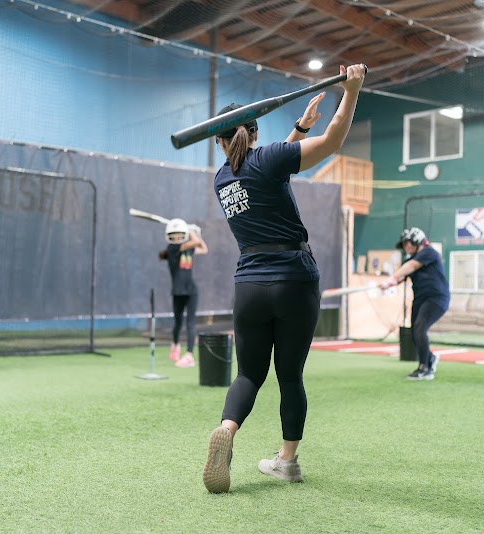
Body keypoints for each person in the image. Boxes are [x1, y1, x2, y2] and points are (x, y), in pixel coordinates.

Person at [201, 64, 366, 493]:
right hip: (294, 278)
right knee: (289, 376)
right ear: (254, 134)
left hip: (250, 285)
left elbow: (269, 169)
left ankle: (227, 429)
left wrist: (298, 128)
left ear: (221, 142)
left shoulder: (222, 179)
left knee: (248, 374)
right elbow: (332, 142)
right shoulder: (268, 159)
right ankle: (287, 461)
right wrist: (352, 90)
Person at [381, 227, 450, 381]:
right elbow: (401, 276)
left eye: (408, 243)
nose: (406, 247)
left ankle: (424, 369)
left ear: (417, 241)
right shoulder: (410, 260)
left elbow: (411, 267)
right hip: (420, 298)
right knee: (415, 333)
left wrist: (393, 277)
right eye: (404, 244)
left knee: (420, 328)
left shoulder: (428, 252)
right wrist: (388, 283)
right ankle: (430, 359)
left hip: (436, 298)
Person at [158, 218, 208, 368]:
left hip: (192, 290)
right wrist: (191, 231)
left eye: (180, 234)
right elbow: (195, 241)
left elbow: (204, 248)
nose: (177, 237)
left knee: (190, 323)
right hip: (178, 291)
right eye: (174, 235)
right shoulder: (172, 248)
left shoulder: (187, 248)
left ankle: (189, 355)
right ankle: (175, 345)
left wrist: (190, 231)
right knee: (178, 322)